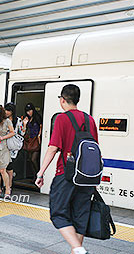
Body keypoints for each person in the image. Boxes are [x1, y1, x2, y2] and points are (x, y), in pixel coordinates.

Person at [35, 84, 98, 254]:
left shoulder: (62, 119)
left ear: (62, 100)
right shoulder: (89, 119)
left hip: (66, 174)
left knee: (58, 213)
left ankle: (78, 248)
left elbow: (53, 148)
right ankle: (76, 250)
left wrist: (41, 173)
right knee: (80, 216)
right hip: (87, 177)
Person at [4, 102, 27, 190]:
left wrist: (24, 125)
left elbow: (22, 133)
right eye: (6, 110)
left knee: (10, 166)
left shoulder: (18, 121)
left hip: (12, 147)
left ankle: (8, 185)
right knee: (4, 167)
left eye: (8, 110)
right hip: (4, 145)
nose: (6, 112)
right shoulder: (3, 120)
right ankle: (6, 185)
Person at [24, 103, 42, 177]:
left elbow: (41, 127)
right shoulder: (27, 118)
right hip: (30, 140)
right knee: (30, 159)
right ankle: (35, 176)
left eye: (30, 110)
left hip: (36, 140)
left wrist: (39, 137)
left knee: (33, 159)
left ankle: (38, 175)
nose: (29, 112)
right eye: (27, 111)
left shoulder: (37, 117)